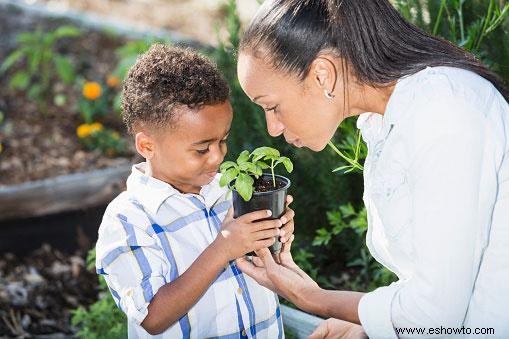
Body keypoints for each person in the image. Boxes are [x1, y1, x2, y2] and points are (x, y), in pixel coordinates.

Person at [234, 0, 509, 338]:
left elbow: (435, 314)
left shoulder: (444, 110)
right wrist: (368, 328)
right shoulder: (387, 119)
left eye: (272, 106)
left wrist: (311, 298)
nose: (272, 128)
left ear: (322, 74)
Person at [95, 44, 295, 338]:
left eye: (223, 141)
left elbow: (256, 270)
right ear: (147, 146)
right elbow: (151, 317)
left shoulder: (230, 189)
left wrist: (272, 240)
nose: (217, 157)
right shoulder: (128, 220)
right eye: (202, 149)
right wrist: (222, 249)